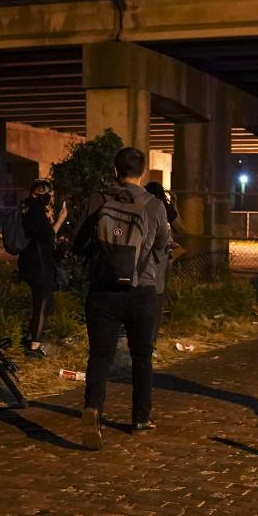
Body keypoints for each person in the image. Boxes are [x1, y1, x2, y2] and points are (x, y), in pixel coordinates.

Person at [73, 147, 169, 451]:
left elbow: (79, 244)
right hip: (142, 290)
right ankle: (140, 419)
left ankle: (93, 410)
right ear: (142, 172)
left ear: (116, 171)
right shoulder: (154, 205)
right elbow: (162, 245)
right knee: (142, 358)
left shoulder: (100, 200)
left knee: (100, 356)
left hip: (103, 290)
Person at [17, 179, 67, 358]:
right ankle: (34, 347)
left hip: (33, 262)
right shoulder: (35, 211)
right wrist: (60, 220)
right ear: (40, 192)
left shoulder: (28, 208)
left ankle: (31, 336)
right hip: (38, 264)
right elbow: (46, 235)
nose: (50, 199)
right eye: (49, 195)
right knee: (43, 301)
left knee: (45, 300)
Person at [144, 181, 184, 344]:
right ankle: (151, 339)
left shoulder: (141, 206)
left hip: (141, 256)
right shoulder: (165, 209)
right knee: (157, 298)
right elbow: (181, 229)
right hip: (160, 258)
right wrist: (174, 206)